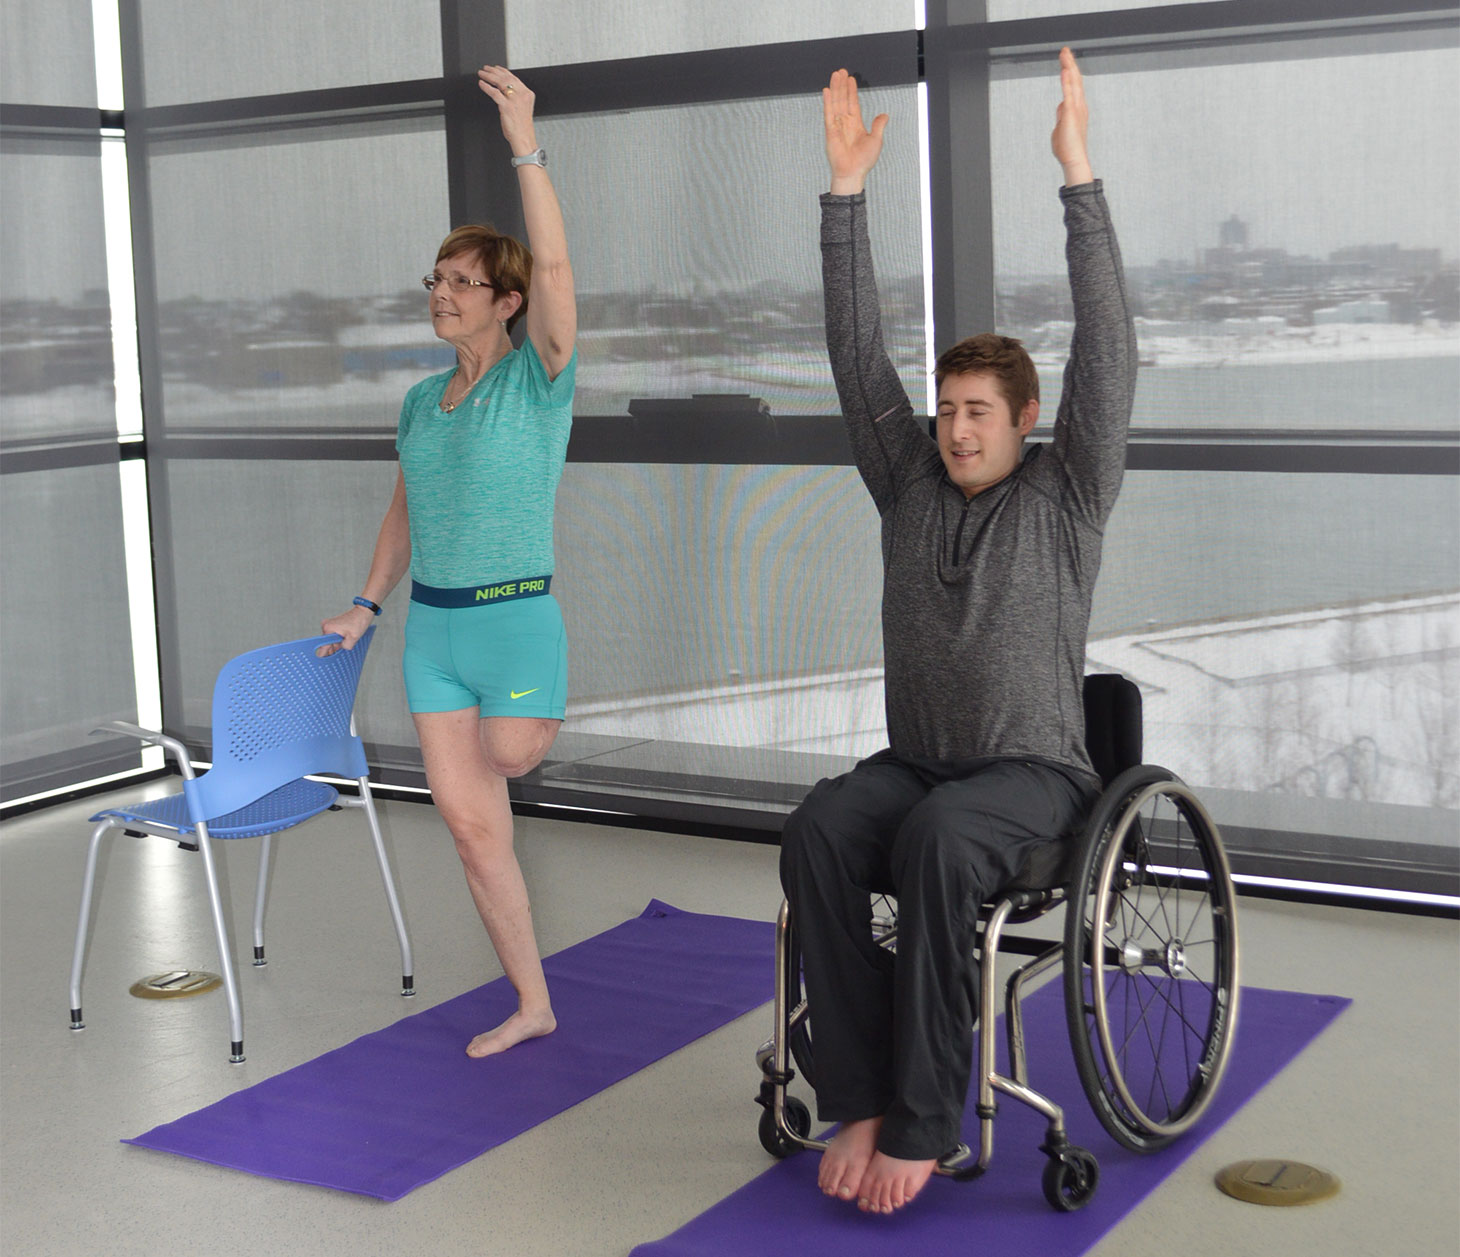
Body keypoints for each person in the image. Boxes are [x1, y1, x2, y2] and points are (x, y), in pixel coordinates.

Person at [779, 48, 1135, 1214]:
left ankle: (927, 1123)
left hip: (1034, 776)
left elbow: (1109, 353)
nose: (952, 428)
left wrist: (1076, 174)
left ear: (1023, 421)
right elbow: (849, 355)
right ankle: (863, 1092)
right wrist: (842, 199)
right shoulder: (909, 487)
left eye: (976, 412)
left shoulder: (1064, 491)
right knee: (823, 830)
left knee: (936, 840)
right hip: (921, 765)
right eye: (943, 411)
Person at [321, 65, 576, 1058]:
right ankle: (531, 1001)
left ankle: (528, 728)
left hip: (515, 617)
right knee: (473, 832)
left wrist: (524, 144)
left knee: (509, 759)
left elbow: (557, 276)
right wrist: (365, 604)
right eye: (433, 280)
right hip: (433, 631)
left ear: (503, 302)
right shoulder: (424, 405)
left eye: (457, 283)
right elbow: (406, 508)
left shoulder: (538, 380)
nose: (438, 294)